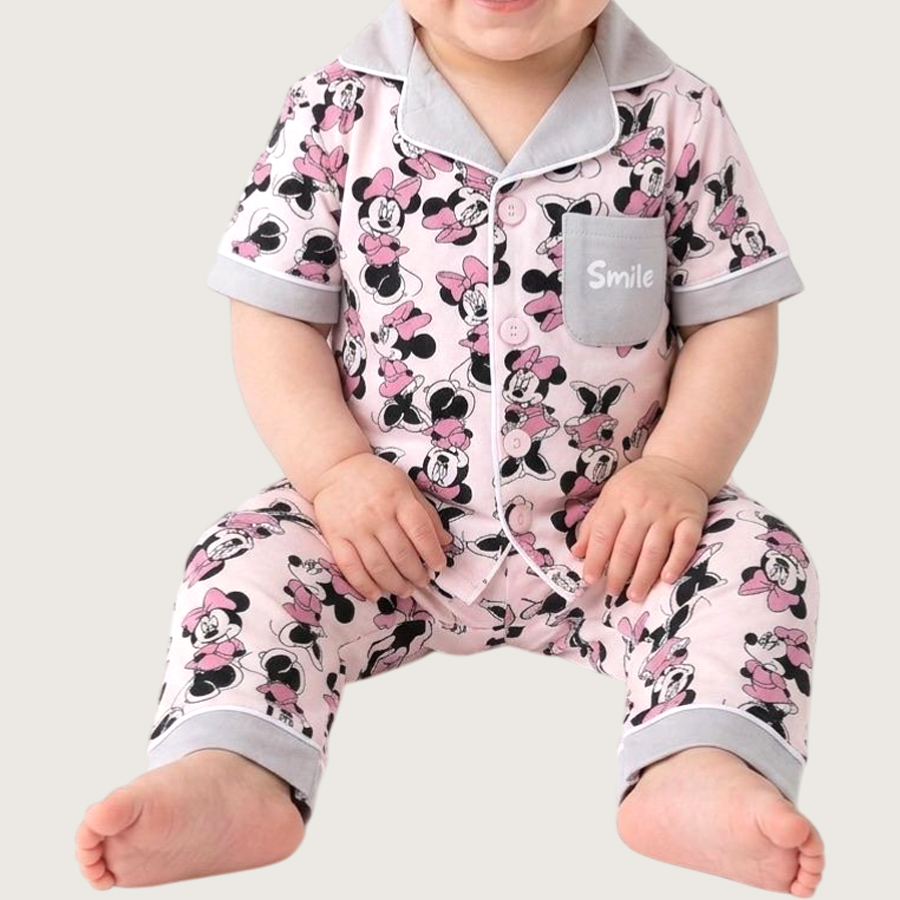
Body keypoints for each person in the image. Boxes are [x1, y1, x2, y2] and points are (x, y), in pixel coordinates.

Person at [74, 0, 824, 894]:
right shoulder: (334, 109)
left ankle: (698, 762)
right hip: (378, 532)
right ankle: (233, 766)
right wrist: (333, 471)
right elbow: (275, 317)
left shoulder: (679, 114)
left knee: (759, 559)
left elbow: (733, 318)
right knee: (242, 558)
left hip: (618, 536)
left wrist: (680, 470)